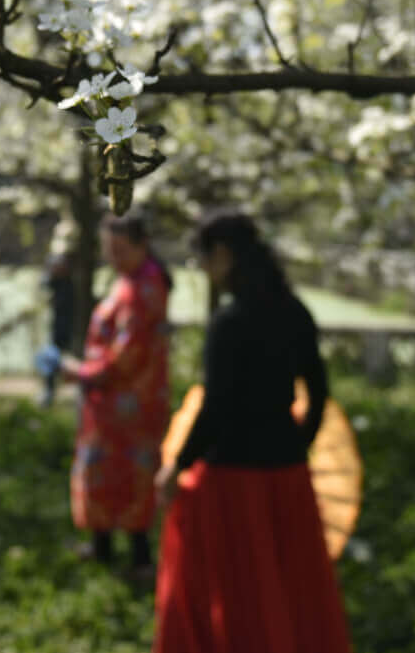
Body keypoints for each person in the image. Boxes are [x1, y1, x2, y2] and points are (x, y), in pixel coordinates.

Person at [152, 210, 349, 653]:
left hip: (231, 480)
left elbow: (216, 407)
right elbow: (318, 395)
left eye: (202, 260)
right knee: (290, 591)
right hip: (287, 476)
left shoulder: (230, 322)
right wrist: (297, 444)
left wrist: (177, 466)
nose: (202, 271)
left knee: (235, 593)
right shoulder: (295, 311)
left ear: (223, 255)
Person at [51, 211, 172, 579]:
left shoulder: (144, 288)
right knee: (107, 472)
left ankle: (138, 558)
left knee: (129, 475)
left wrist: (80, 372)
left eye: (120, 249)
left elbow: (127, 355)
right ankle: (102, 546)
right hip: (118, 403)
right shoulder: (135, 280)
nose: (113, 257)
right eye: (108, 249)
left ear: (142, 246)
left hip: (127, 403)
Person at [37, 248, 76, 407]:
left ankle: (53, 393)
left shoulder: (70, 284)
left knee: (65, 360)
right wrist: (50, 270)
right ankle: (49, 393)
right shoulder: (56, 282)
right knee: (51, 359)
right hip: (57, 329)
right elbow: (43, 283)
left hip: (71, 328)